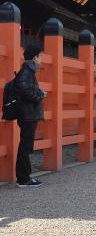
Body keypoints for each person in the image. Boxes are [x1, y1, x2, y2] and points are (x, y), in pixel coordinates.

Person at [15, 45, 46, 187]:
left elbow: (25, 88)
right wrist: (40, 94)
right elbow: (24, 89)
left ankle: (24, 177)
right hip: (27, 114)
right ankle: (23, 178)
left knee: (25, 146)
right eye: (40, 56)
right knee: (25, 146)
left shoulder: (28, 70)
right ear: (34, 58)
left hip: (28, 113)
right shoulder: (27, 71)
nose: (42, 59)